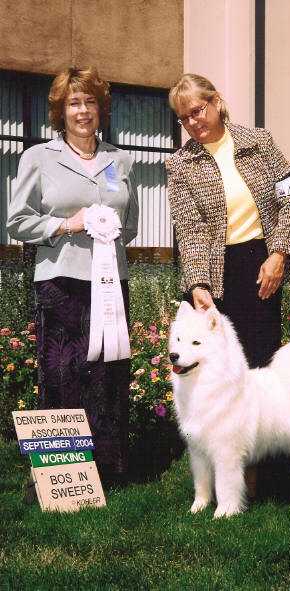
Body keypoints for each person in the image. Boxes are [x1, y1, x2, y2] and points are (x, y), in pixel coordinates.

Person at [166, 73, 290, 495]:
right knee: (224, 372)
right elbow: (188, 228)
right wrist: (197, 284)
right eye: (184, 117)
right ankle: (229, 465)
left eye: (198, 111)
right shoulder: (179, 164)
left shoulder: (258, 141)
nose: (193, 122)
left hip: (262, 263)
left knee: (263, 366)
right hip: (217, 273)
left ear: (217, 102)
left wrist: (278, 253)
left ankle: (267, 463)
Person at [8, 67, 139, 485]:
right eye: (73, 103)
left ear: (102, 108)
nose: (83, 111)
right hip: (60, 281)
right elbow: (17, 221)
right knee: (62, 372)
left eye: (90, 102)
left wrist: (107, 235)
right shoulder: (38, 158)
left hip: (111, 282)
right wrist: (67, 225)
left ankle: (107, 469)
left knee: (108, 371)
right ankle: (59, 474)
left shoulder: (120, 160)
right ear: (60, 112)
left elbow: (129, 222)